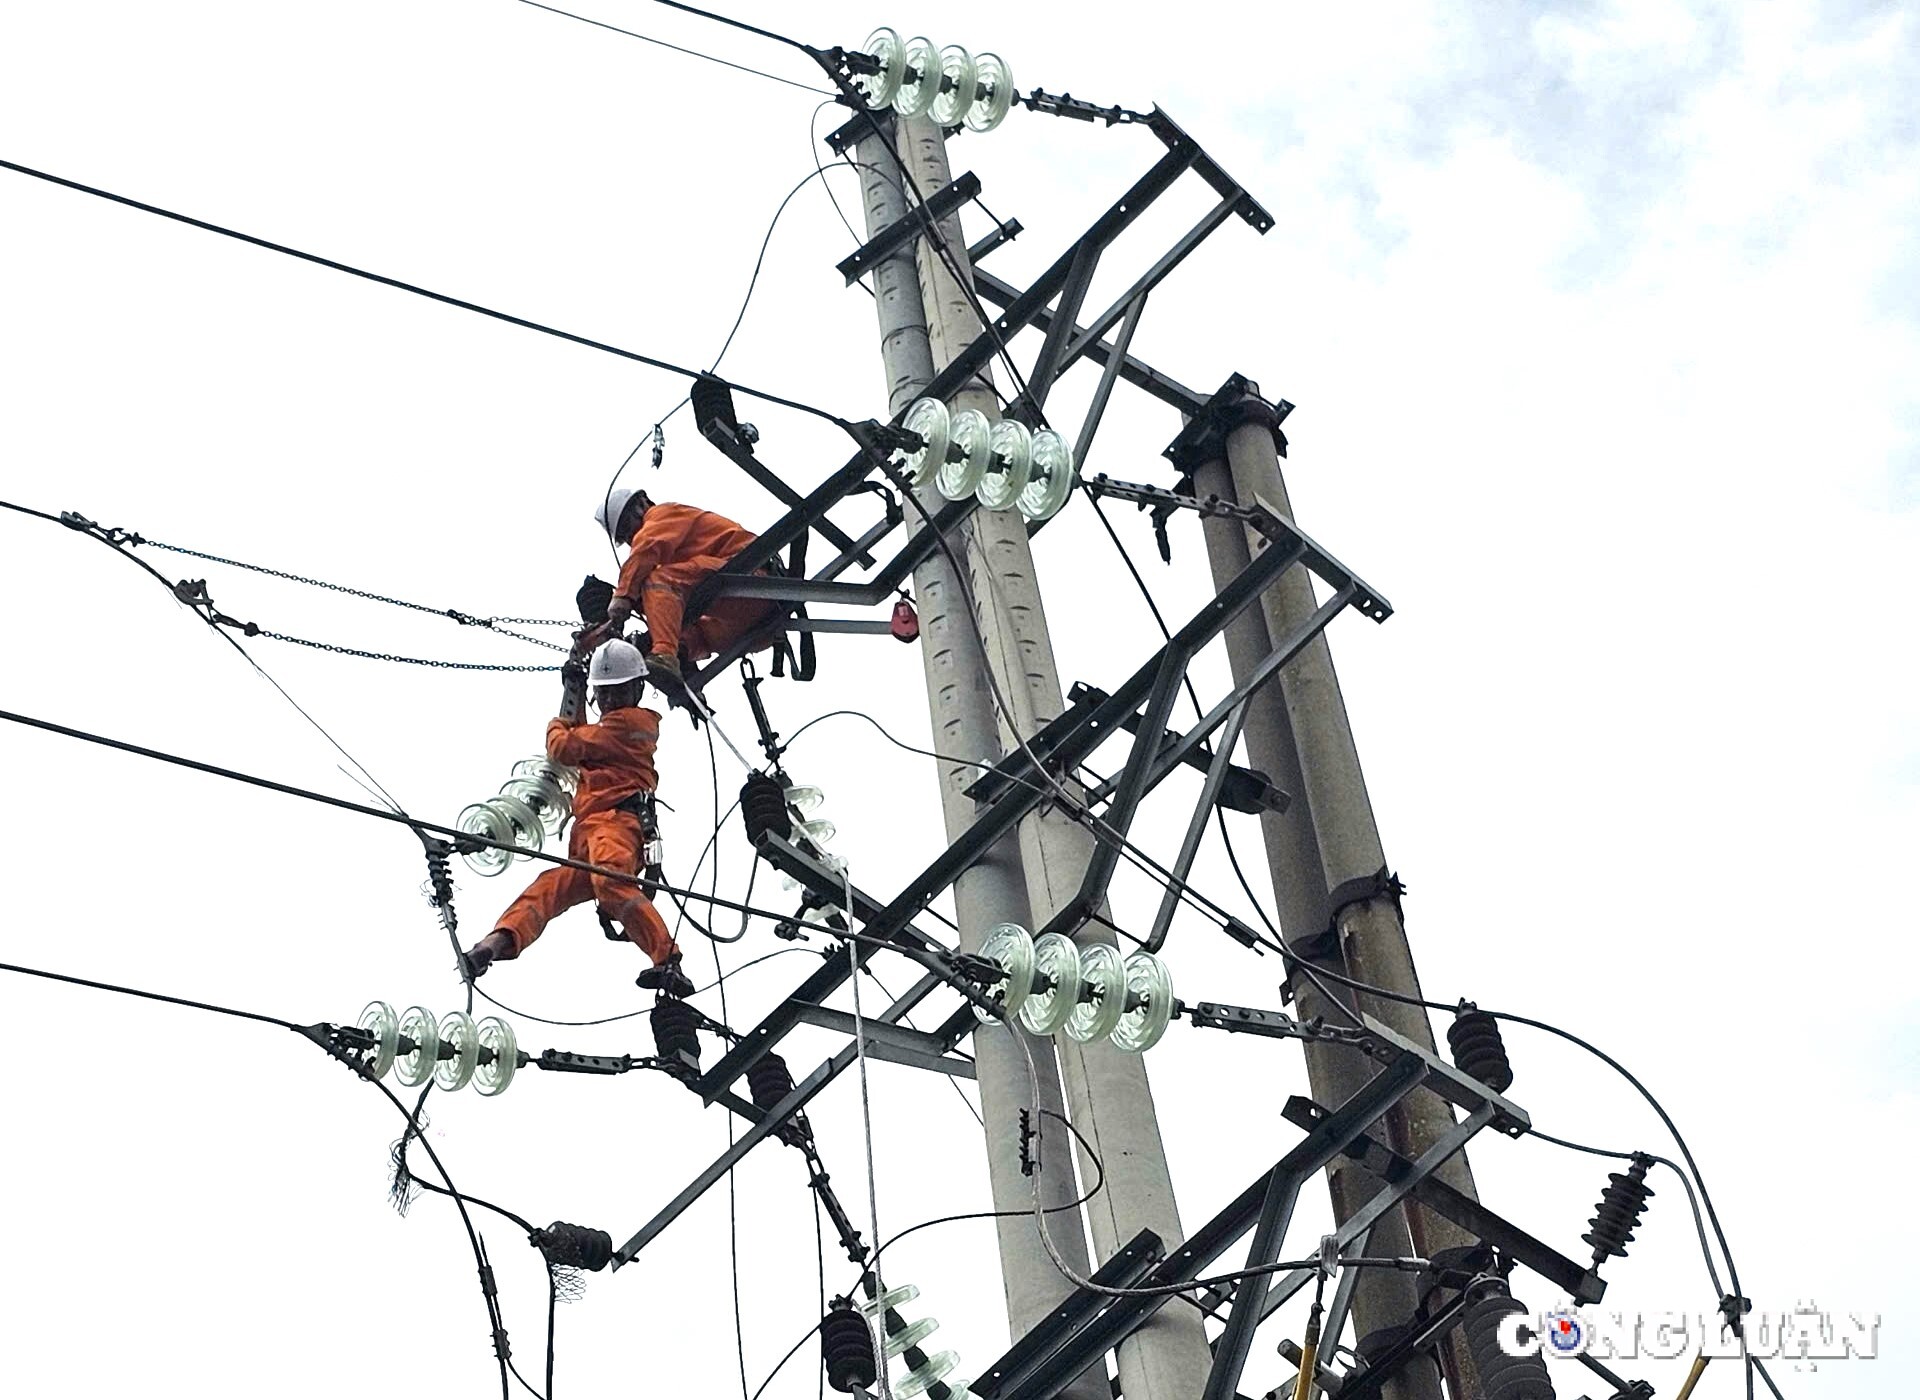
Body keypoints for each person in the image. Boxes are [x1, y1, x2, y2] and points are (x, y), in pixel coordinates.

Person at [461, 638, 694, 997]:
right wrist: (576, 688)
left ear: (636, 690)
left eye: (615, 693)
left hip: (617, 823)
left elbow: (565, 747)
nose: (610, 702)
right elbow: (586, 742)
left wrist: (560, 718)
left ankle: (667, 959)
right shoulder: (608, 731)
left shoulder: (632, 725)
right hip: (589, 832)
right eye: (604, 695)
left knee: (612, 883)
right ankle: (498, 941)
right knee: (548, 887)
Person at [591, 486, 778, 682]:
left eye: (625, 531)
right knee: (663, 604)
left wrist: (623, 595)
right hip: (742, 626)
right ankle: (679, 657)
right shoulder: (675, 557)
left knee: (659, 581)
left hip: (752, 579)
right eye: (624, 537)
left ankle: (665, 654)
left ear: (640, 506)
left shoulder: (662, 515)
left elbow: (647, 548)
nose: (630, 539)